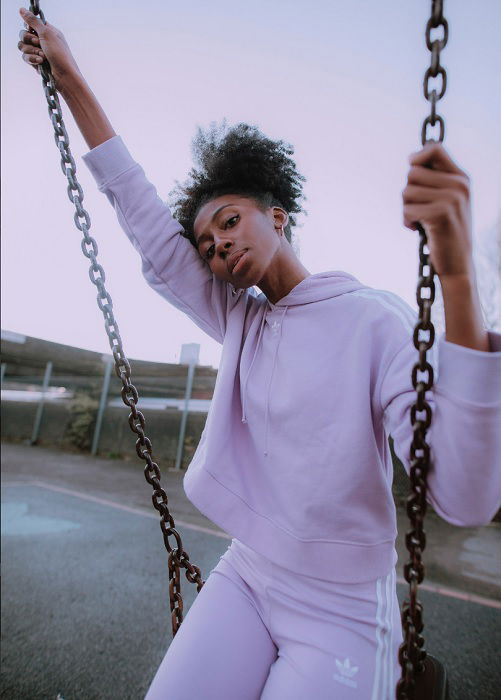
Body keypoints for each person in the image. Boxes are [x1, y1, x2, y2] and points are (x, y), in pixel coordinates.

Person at [18, 8, 501, 699]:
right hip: (248, 573)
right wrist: (69, 78)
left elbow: (463, 495)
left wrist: (456, 277)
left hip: (342, 605)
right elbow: (143, 216)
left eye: (229, 221)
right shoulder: (239, 318)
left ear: (276, 216)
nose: (218, 247)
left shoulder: (373, 321)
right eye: (208, 247)